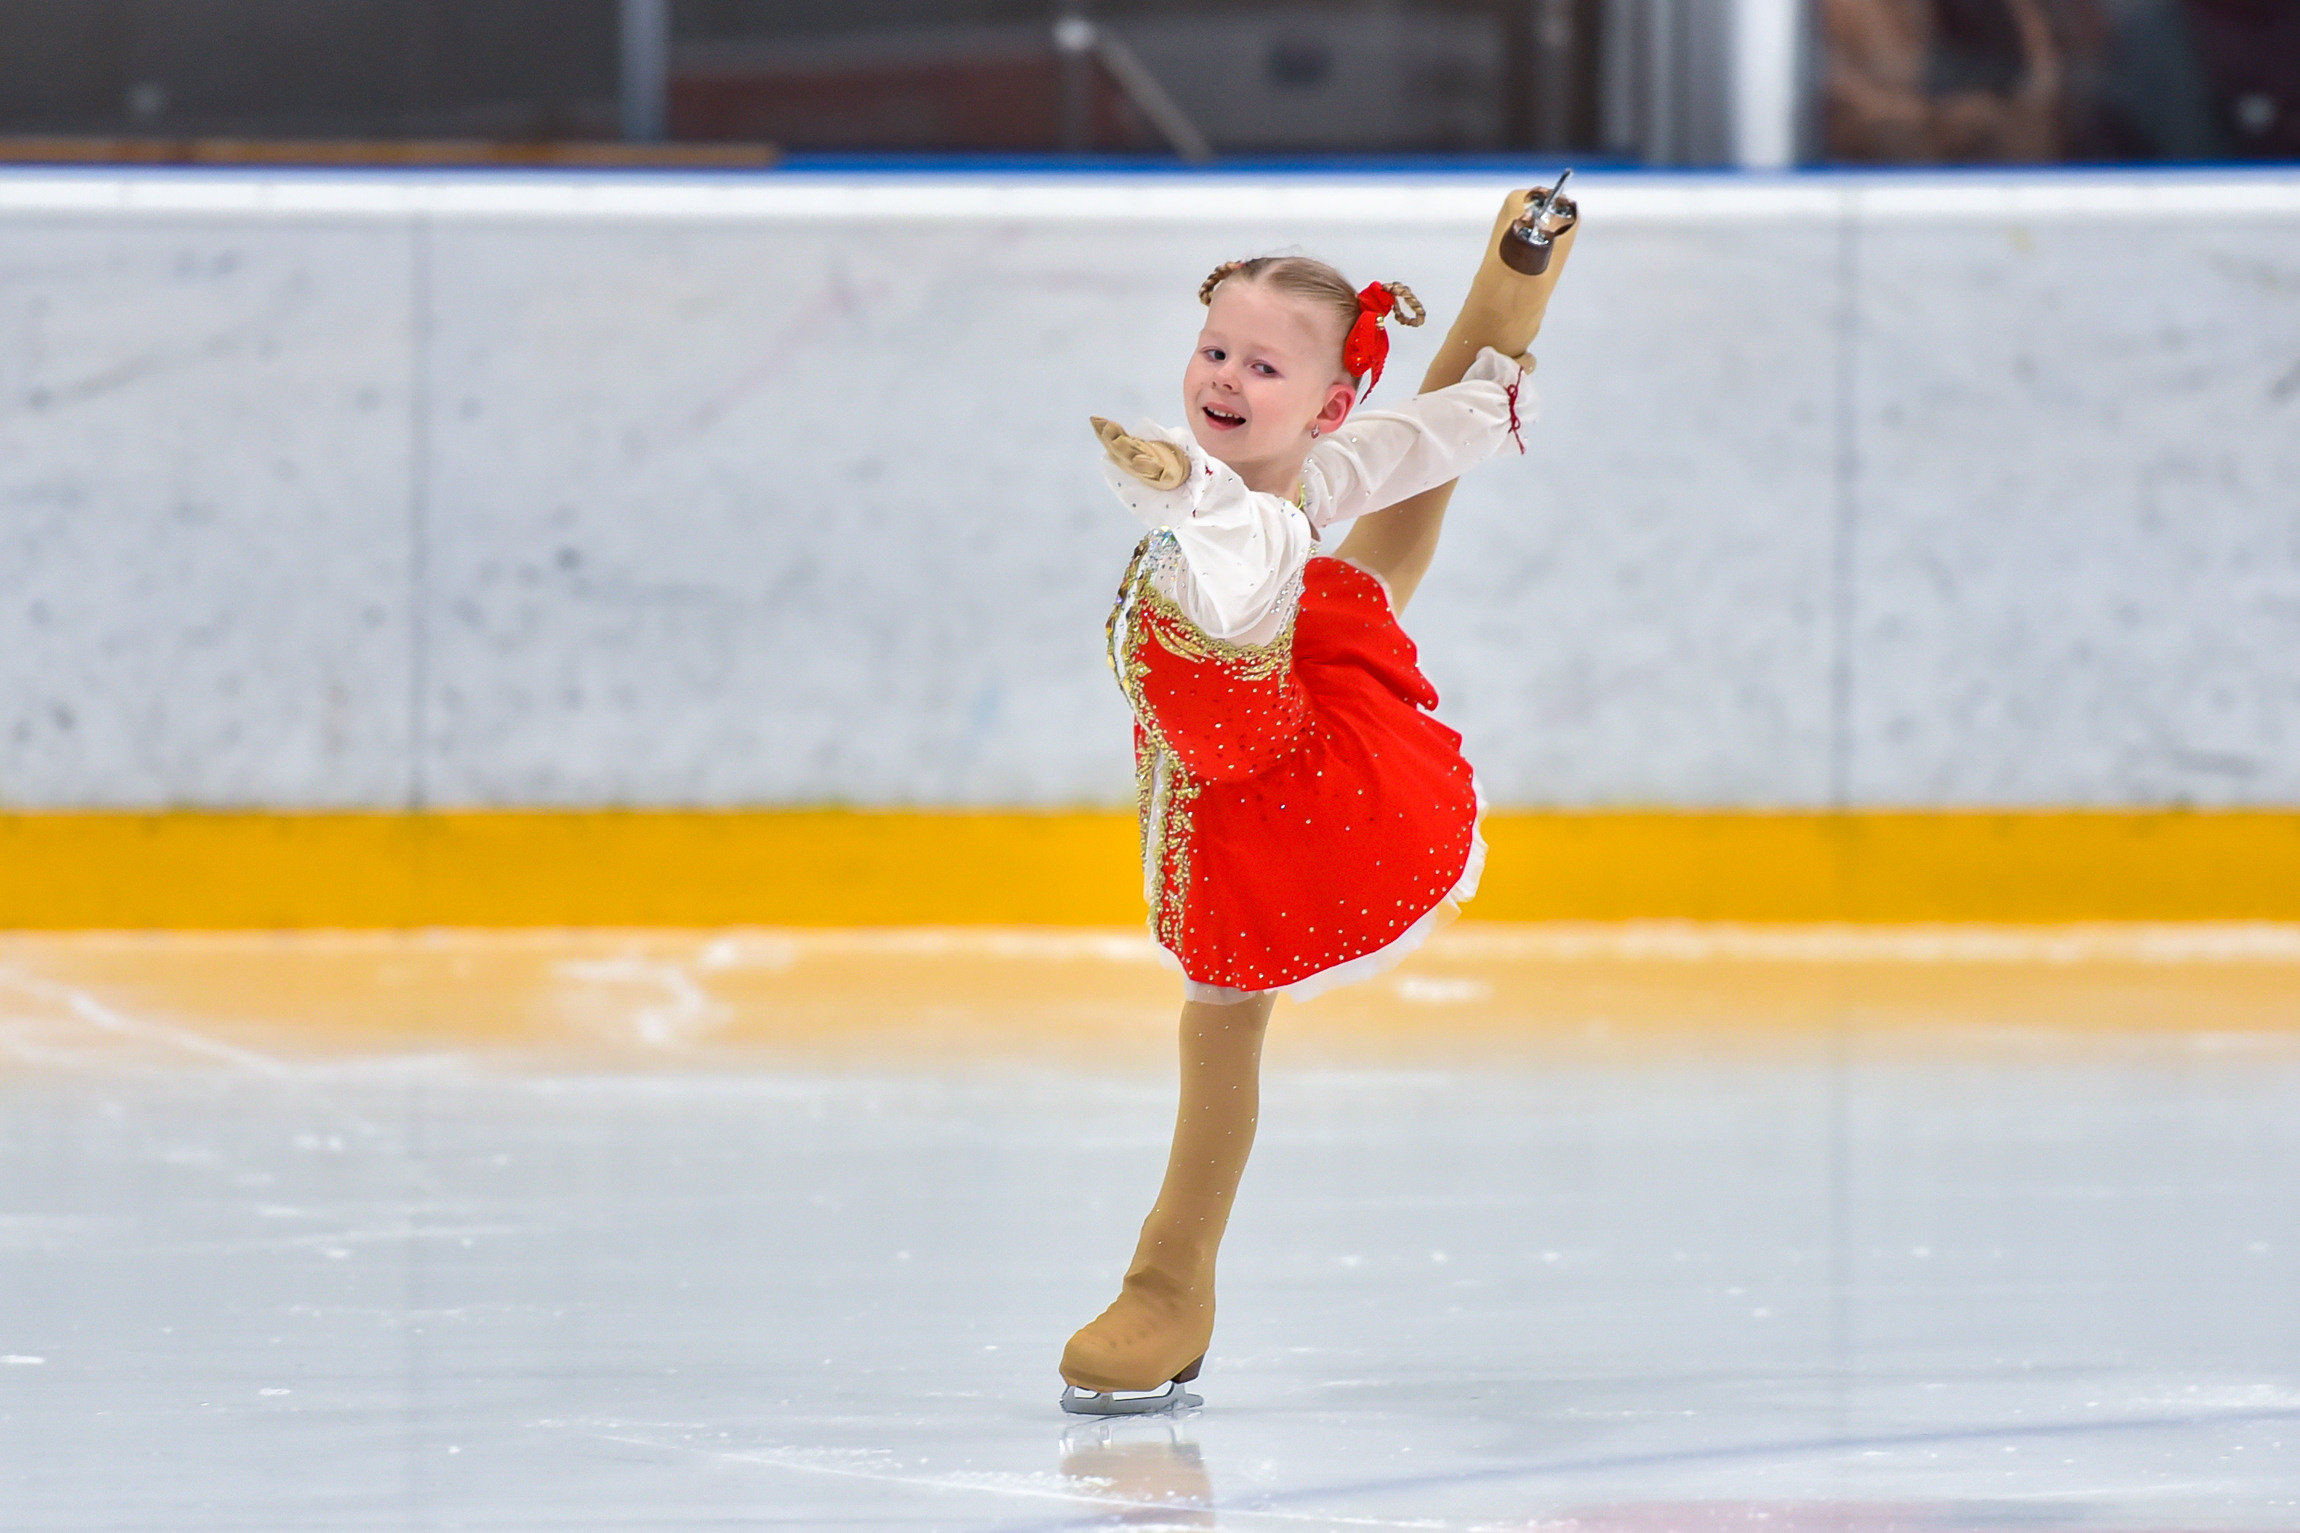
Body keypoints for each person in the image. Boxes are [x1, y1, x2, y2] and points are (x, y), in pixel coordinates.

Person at [1059, 189, 1578, 1415]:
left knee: (1223, 1004)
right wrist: (1503, 328)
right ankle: (1509, 297)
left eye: (1261, 365)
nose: (1224, 376)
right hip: (1269, 710)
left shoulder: (1242, 513)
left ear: (1325, 400)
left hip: (1278, 784)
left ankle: (1168, 1282)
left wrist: (1171, 475)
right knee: (1389, 544)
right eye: (1213, 350)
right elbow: (1404, 450)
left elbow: (1222, 514)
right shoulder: (1313, 469)